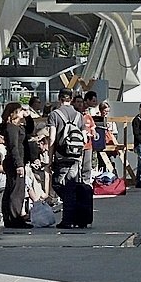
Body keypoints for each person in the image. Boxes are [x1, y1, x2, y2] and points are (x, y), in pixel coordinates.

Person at [48, 88, 87, 229]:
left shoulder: (54, 115)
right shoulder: (79, 115)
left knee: (57, 184)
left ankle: (68, 215)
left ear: (59, 98)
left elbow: (52, 138)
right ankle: (71, 214)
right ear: (71, 99)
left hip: (61, 155)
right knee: (70, 184)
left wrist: (50, 158)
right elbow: (84, 138)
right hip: (76, 156)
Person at [0, 101, 31, 228]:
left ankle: (11, 217)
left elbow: (30, 129)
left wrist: (27, 117)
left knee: (13, 189)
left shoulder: (16, 126)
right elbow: (14, 147)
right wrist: (19, 164)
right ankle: (14, 217)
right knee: (16, 191)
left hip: (18, 161)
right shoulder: (11, 128)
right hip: (15, 162)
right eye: (20, 110)